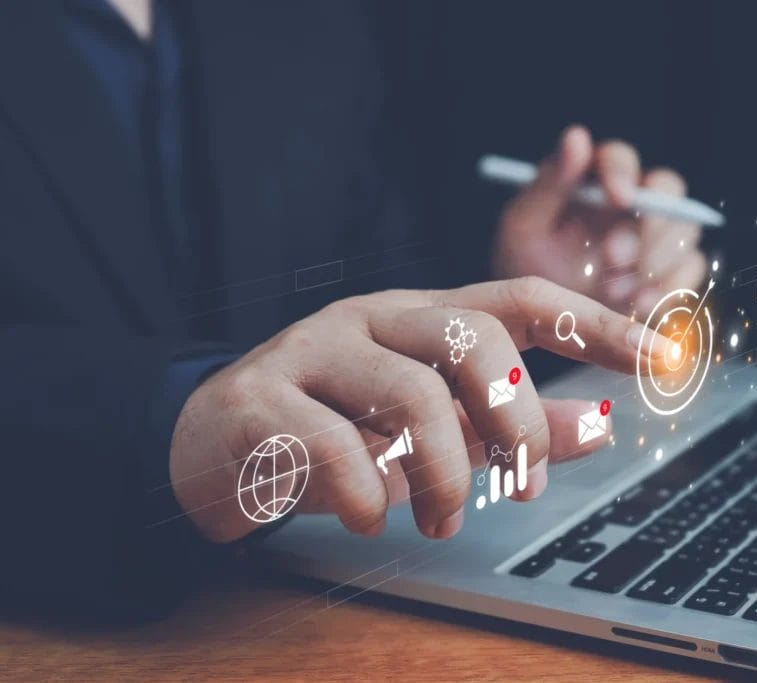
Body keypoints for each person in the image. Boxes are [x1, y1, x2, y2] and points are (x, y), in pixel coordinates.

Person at [0, 1, 704, 619]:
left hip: (303, 604)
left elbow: (351, 301)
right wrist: (177, 428)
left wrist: (512, 300)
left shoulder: (305, 18)